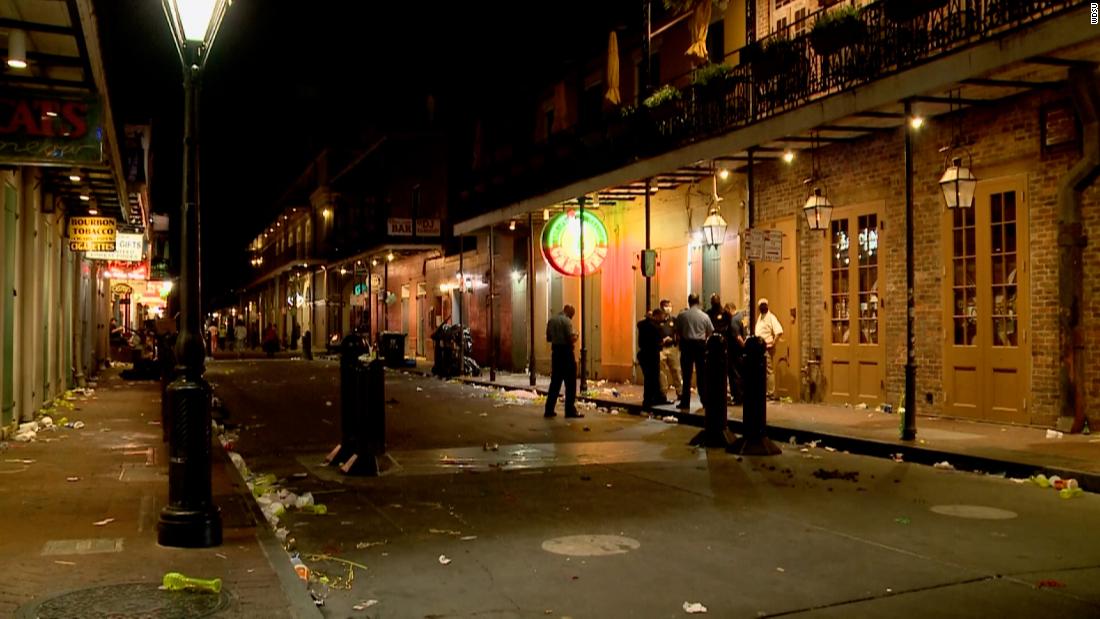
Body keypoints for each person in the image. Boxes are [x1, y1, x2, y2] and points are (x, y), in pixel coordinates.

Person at [675, 293, 714, 410]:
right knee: (701, 375)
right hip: (700, 346)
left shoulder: (682, 316)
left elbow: (678, 332)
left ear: (689, 301)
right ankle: (705, 401)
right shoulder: (704, 316)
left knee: (686, 376)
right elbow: (710, 331)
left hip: (687, 345)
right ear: (698, 302)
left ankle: (685, 402)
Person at [544, 304, 581, 418]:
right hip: (566, 353)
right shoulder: (567, 321)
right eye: (572, 315)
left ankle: (549, 409)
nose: (571, 318)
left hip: (556, 353)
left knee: (555, 383)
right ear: (569, 313)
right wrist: (576, 336)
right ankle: (569, 410)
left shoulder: (551, 321)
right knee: (570, 383)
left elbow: (548, 338)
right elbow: (570, 338)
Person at [637, 307, 668, 408]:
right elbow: (659, 341)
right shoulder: (656, 327)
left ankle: (649, 399)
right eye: (662, 316)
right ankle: (652, 399)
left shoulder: (643, 325)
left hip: (643, 353)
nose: (663, 318)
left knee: (648, 377)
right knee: (653, 377)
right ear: (657, 316)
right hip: (652, 354)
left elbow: (640, 324)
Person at [755, 298, 784, 400]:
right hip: (759, 348)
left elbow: (779, 331)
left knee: (768, 370)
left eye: (764, 305)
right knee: (761, 371)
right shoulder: (760, 317)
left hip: (766, 347)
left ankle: (770, 393)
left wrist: (773, 343)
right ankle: (764, 391)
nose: (762, 307)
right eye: (760, 306)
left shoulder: (771, 317)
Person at [657, 299, 682, 403]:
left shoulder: (674, 320)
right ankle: (663, 393)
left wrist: (673, 340)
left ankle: (680, 392)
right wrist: (661, 340)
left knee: (676, 370)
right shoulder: (658, 321)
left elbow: (678, 333)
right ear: (662, 307)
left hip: (672, 348)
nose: (668, 308)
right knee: (661, 372)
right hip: (661, 349)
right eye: (666, 306)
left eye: (670, 306)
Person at [726, 302, 746, 405]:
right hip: (740, 353)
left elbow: (738, 337)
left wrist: (744, 346)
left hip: (735, 352)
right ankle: (742, 396)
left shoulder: (733, 321)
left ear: (729, 309)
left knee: (735, 375)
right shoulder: (741, 317)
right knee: (741, 374)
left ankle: (737, 397)